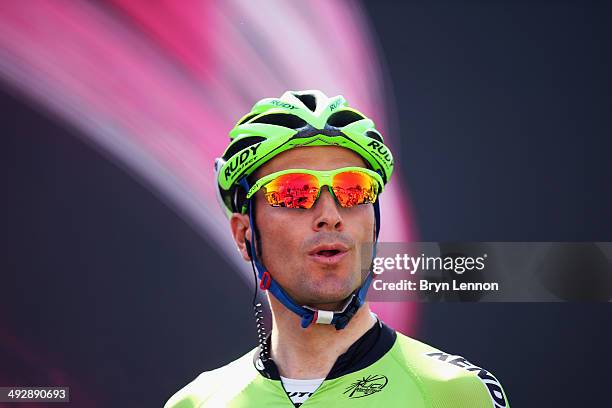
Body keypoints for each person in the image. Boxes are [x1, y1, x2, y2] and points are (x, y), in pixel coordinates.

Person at [165, 90, 510, 407]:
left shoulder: (455, 393)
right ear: (244, 235)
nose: (330, 217)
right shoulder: (198, 403)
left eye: (354, 190)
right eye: (293, 192)